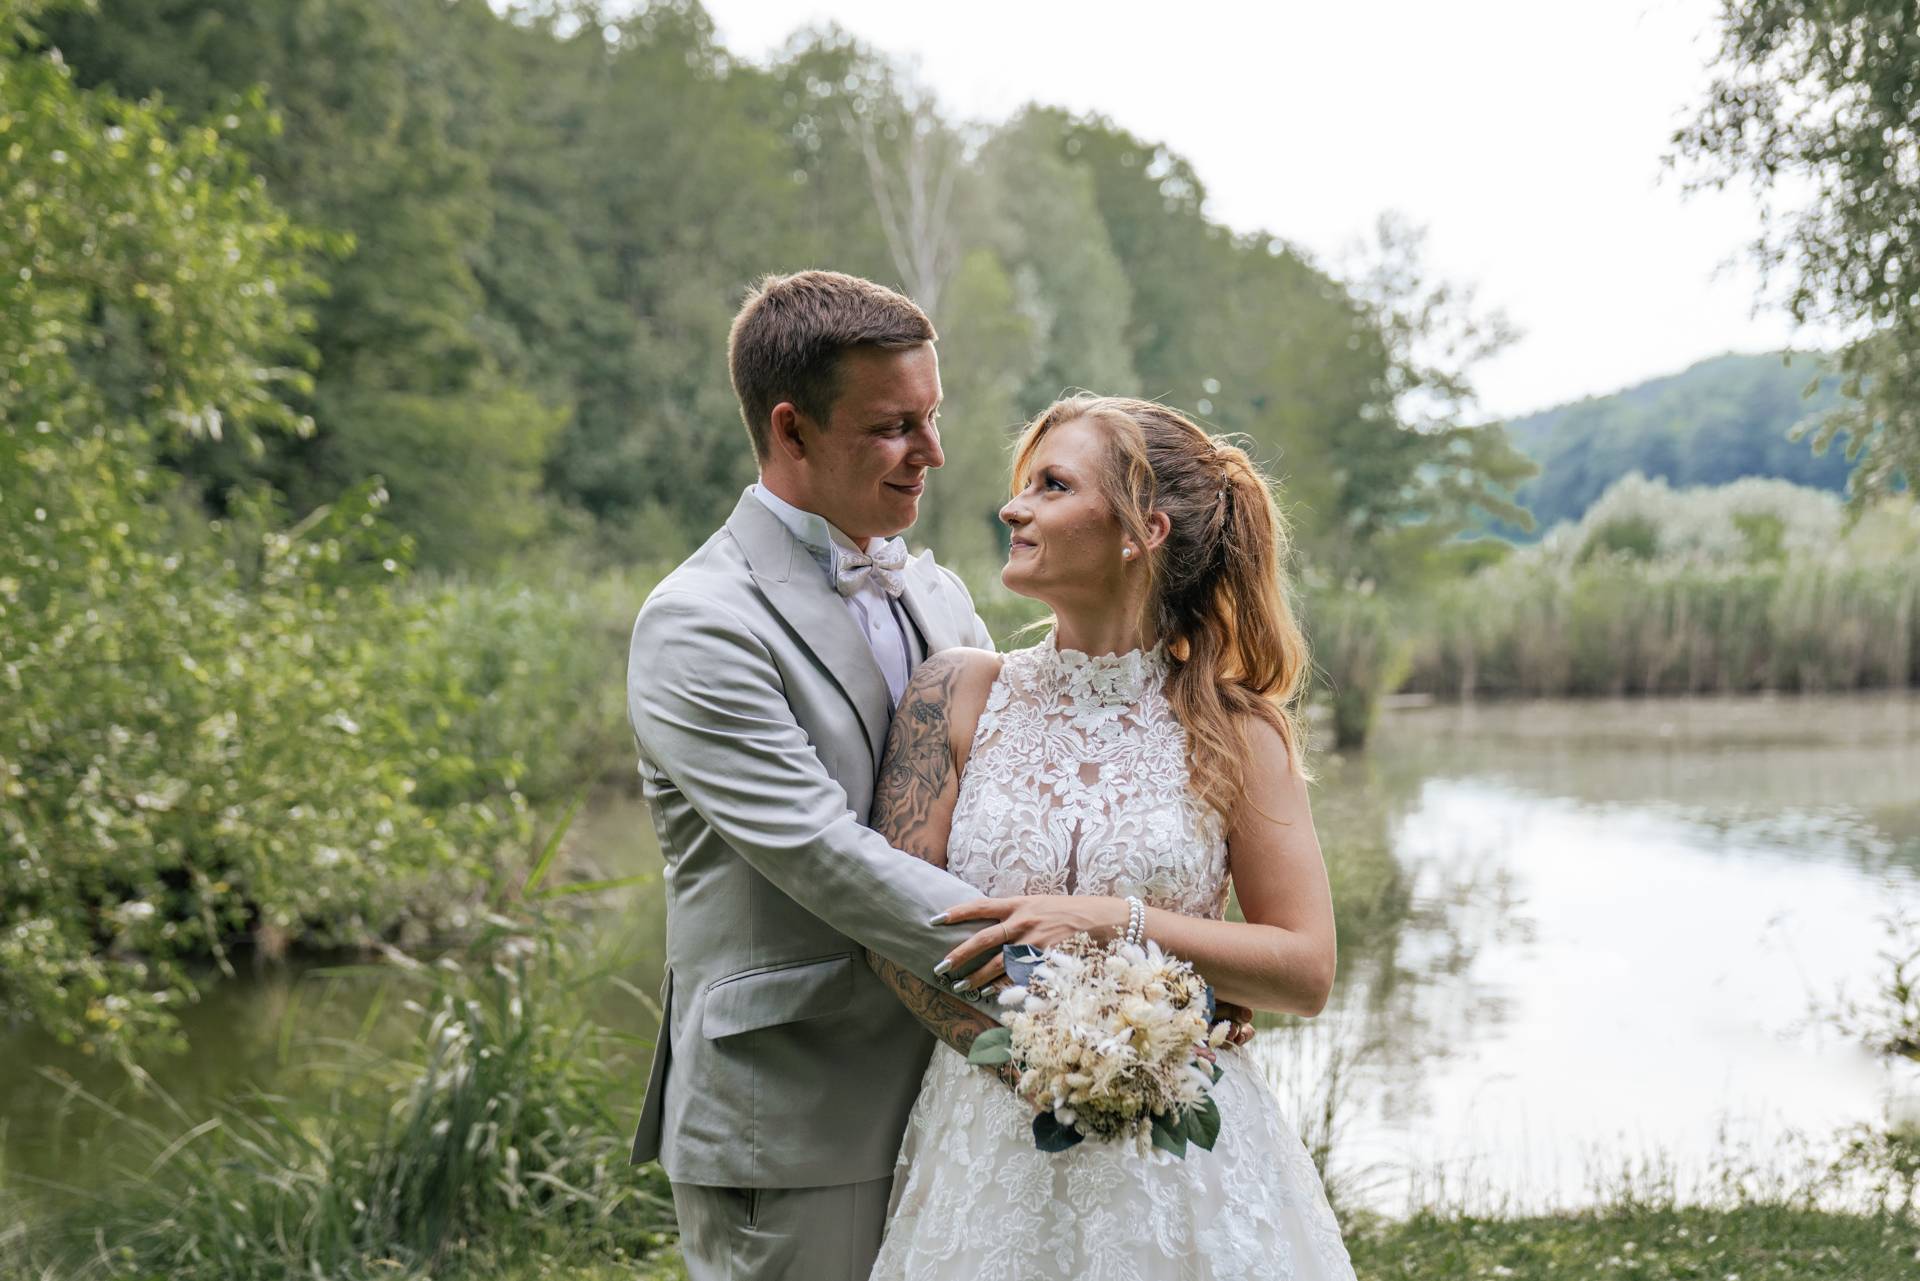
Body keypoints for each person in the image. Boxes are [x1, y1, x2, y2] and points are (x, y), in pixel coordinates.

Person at [863, 395, 1359, 1279]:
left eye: (1052, 486)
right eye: (1024, 486)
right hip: (990, 1132)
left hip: (1179, 1145)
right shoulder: (957, 693)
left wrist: (1120, 924)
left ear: (1142, 530)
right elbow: (892, 934)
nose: (1014, 508)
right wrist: (1053, 1067)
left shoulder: (1237, 729)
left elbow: (1305, 966)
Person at [624, 269, 1005, 1280]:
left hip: (957, 1088)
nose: (932, 454)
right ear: (790, 430)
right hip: (795, 1105)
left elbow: (1004, 801)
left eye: (933, 417)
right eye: (893, 427)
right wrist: (1054, 976)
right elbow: (824, 852)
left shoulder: (938, 592)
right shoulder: (700, 623)